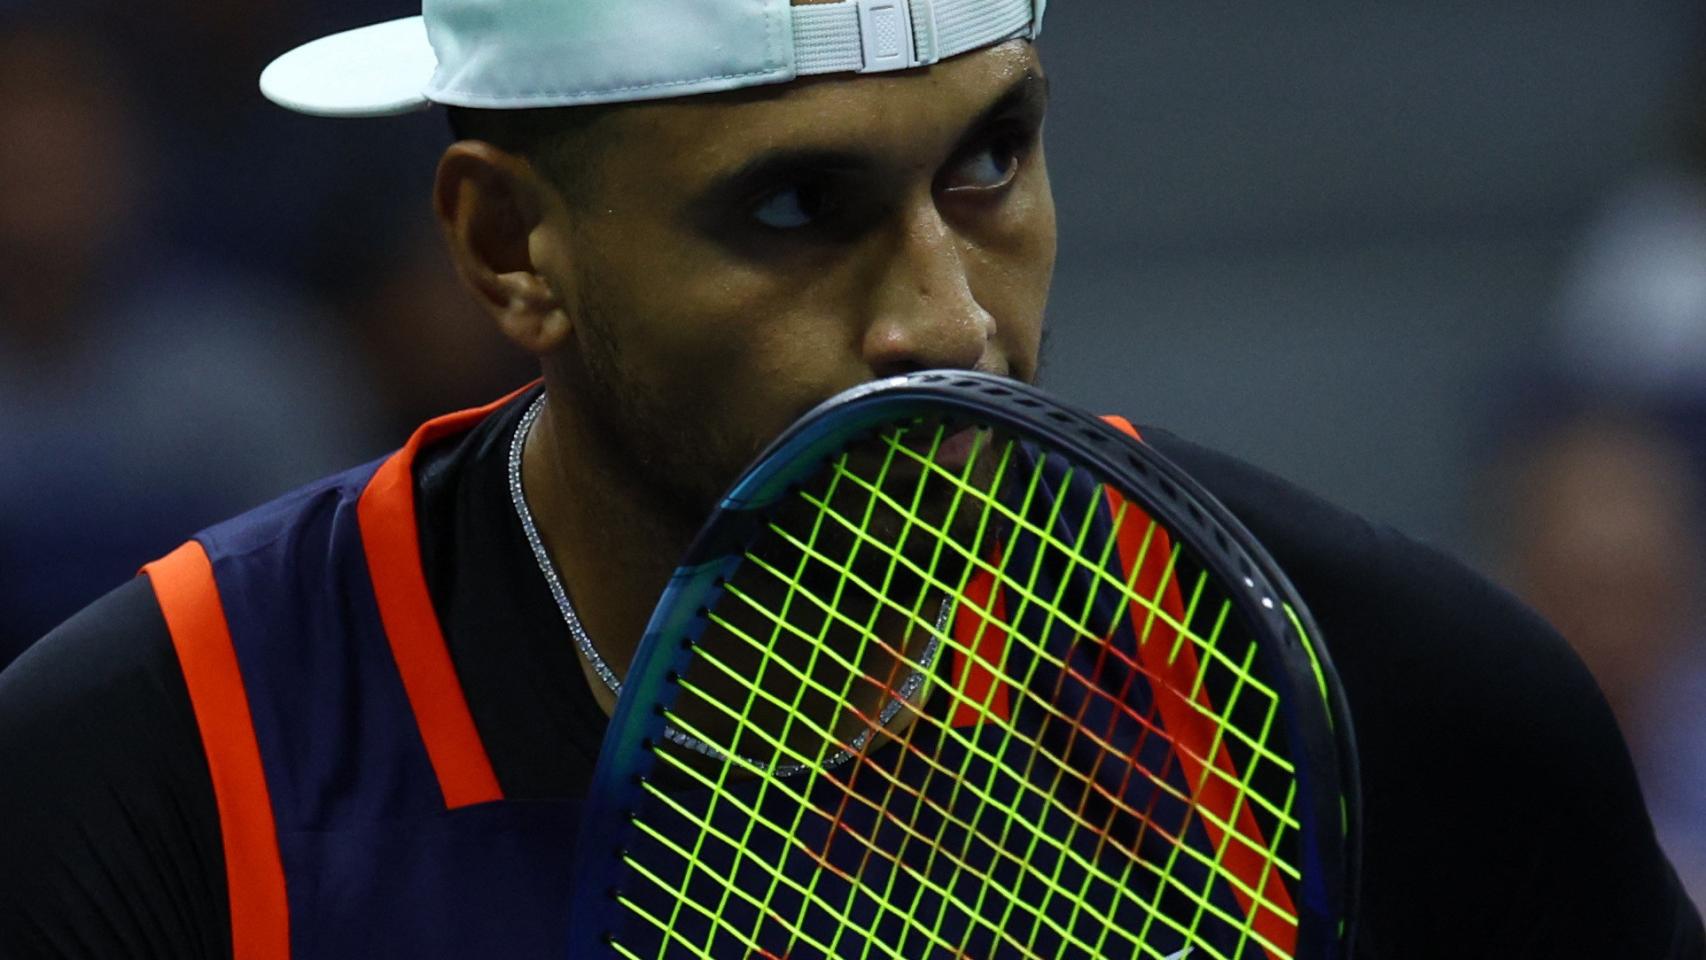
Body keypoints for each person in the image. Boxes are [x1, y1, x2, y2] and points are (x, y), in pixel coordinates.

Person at [0, 1, 1699, 957]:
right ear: (510, 244)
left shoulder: (1396, 697)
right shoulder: (141, 782)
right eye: (794, 206)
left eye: (990, 161)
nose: (946, 318)